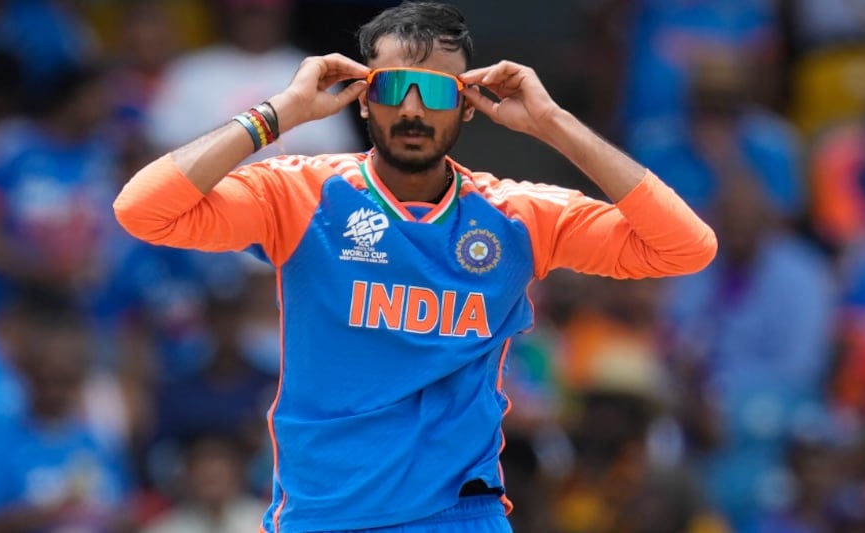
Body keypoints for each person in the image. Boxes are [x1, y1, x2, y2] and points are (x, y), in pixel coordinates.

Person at [113, 2, 717, 531]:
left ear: (469, 105)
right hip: (325, 516)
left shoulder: (516, 217)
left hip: (460, 515)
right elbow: (142, 211)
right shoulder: (298, 195)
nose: (412, 109)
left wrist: (552, 125)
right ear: (363, 96)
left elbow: (685, 247)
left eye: (435, 92)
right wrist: (282, 112)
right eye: (393, 86)